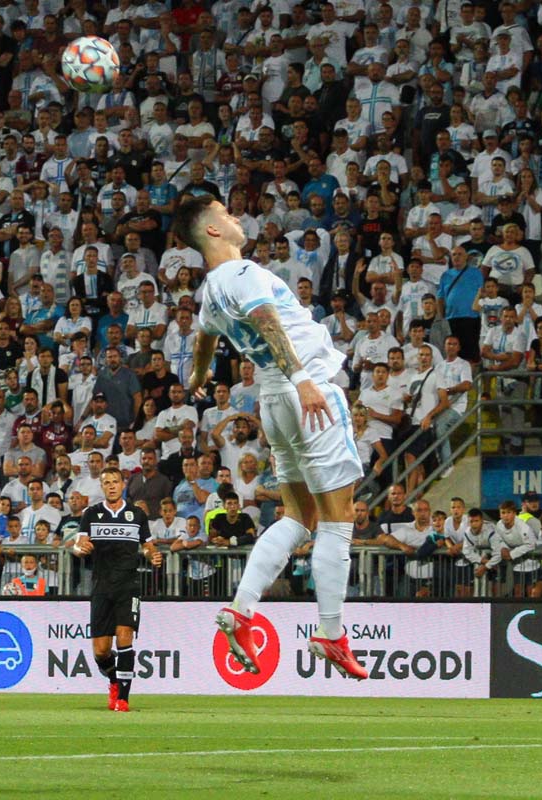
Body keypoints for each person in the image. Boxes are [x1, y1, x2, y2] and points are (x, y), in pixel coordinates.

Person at [173, 195, 368, 680]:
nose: (235, 217)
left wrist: (197, 376)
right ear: (212, 230)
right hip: (306, 389)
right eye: (226, 213)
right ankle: (331, 632)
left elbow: (205, 337)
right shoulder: (244, 274)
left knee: (300, 516)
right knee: (339, 517)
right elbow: (265, 318)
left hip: (273, 400)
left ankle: (241, 610)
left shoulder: (212, 290)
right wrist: (303, 379)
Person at [72, 466, 163, 712]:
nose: (111, 486)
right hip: (101, 586)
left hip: (128, 585)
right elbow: (78, 545)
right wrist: (80, 549)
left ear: (123, 485)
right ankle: (114, 679)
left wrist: (153, 555)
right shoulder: (91, 514)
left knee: (125, 636)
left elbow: (147, 546)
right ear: (102, 486)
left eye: (115, 482)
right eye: (107, 482)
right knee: (101, 652)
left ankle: (123, 699)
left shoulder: (137, 515)